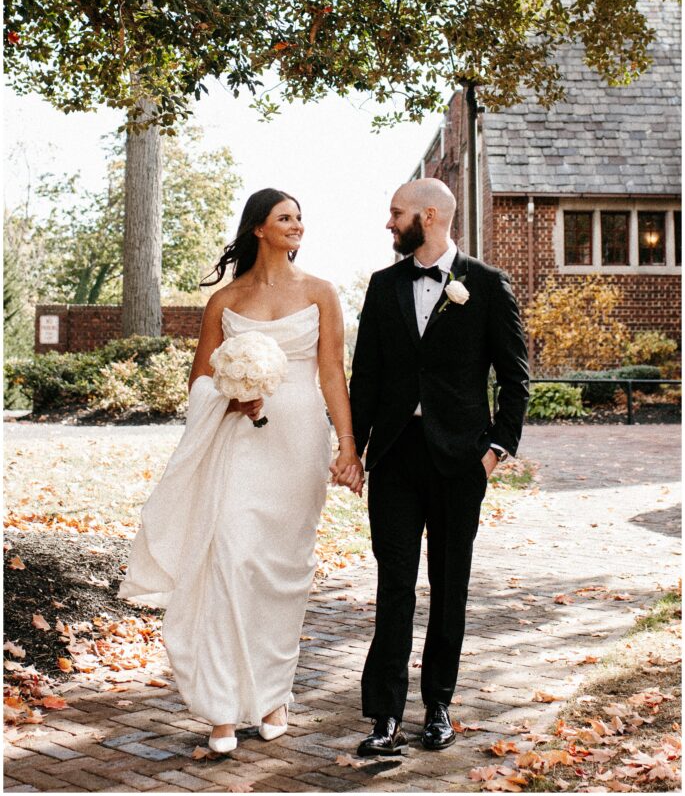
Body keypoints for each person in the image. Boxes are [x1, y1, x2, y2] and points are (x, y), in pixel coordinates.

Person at [120, 188, 364, 753]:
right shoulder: (224, 300)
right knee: (230, 558)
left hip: (299, 441)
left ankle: (274, 694)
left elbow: (332, 374)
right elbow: (200, 381)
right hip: (239, 441)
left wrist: (347, 447)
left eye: (301, 217)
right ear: (259, 228)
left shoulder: (323, 293)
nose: (297, 225)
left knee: (282, 571)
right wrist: (228, 398)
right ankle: (223, 707)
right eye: (286, 218)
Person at [350, 178, 529, 755]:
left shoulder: (488, 284)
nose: (389, 223)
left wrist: (497, 450)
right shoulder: (382, 287)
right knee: (394, 584)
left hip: (460, 462)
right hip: (396, 459)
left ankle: (439, 707)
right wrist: (352, 448)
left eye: (396, 213)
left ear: (429, 216)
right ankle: (384, 716)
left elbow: (515, 377)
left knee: (450, 585)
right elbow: (367, 378)